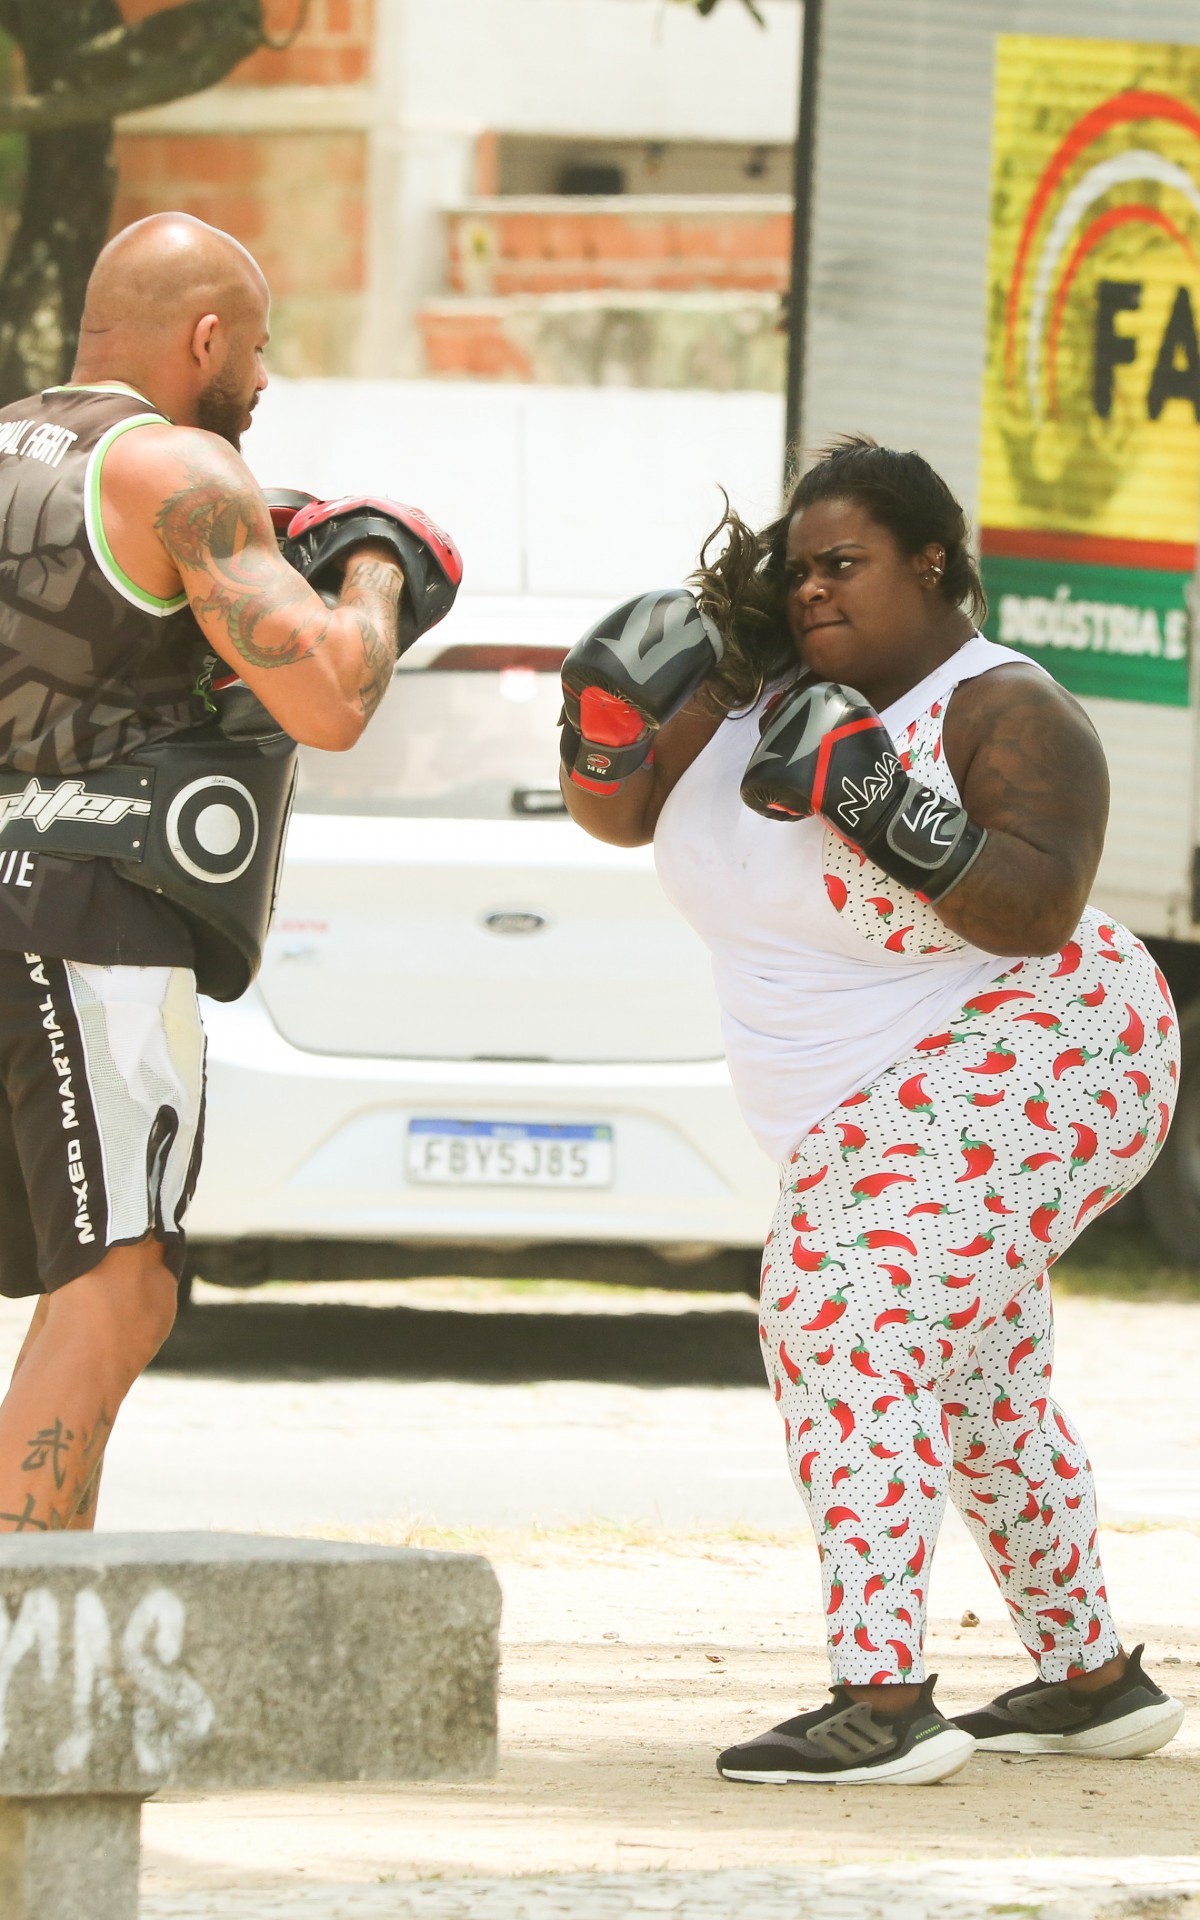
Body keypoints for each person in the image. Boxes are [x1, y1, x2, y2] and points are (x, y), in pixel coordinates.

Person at [558, 436, 1183, 1785]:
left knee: (838, 1307)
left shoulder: (1003, 707)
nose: (814, 592)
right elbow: (615, 817)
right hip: (877, 1096)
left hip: (1051, 1039)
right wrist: (607, 727)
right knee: (976, 1384)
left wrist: (883, 802)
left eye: (845, 565)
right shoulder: (761, 694)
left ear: (933, 562)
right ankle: (1092, 1681)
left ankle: (884, 1700)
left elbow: (1035, 907)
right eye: (798, 572)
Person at [0, 212, 456, 1535]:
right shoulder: (177, 468)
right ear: (206, 338)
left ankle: (50, 1613)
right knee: (125, 1283)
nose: (262, 383)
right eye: (253, 352)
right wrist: (376, 563)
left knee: (70, 1278)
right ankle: (27, 1655)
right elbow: (327, 696)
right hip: (93, 913)